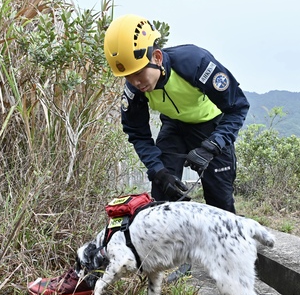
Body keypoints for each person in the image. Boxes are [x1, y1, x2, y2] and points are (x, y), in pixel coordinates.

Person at [104, 14, 250, 280]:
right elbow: (136, 132)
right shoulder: (134, 89)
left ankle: (234, 260)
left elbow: (238, 107)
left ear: (157, 57)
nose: (136, 81)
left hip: (212, 125)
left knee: (219, 201)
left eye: (138, 72)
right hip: (174, 127)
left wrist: (213, 145)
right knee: (163, 192)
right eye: (127, 76)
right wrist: (158, 170)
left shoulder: (194, 63)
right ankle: (174, 261)